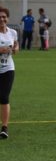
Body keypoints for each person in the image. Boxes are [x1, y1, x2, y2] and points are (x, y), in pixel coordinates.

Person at [0, 7, 19, 139]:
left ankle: (4, 128)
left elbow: (16, 45)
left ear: (8, 18)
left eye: (4, 17)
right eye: (0, 17)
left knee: (4, 97)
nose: (2, 19)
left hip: (8, 69)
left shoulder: (12, 32)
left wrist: (16, 48)